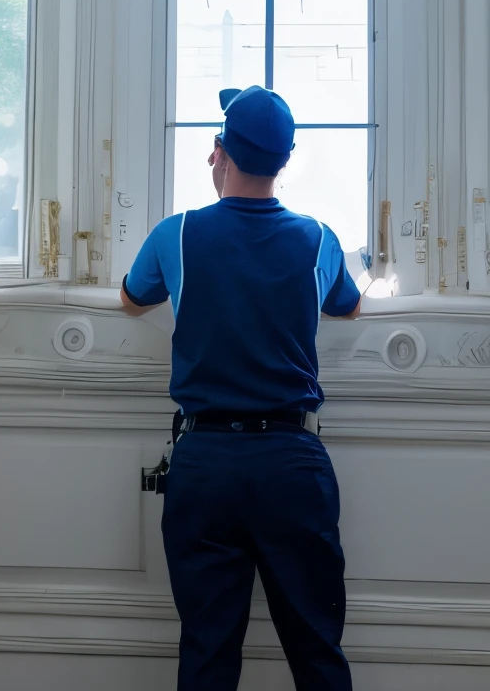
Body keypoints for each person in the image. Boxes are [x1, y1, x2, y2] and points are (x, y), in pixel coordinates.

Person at [120, 84, 362, 691]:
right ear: (284, 161)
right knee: (316, 649)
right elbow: (348, 308)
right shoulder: (318, 239)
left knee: (207, 653)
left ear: (219, 153)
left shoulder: (177, 234)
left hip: (206, 466)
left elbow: (130, 298)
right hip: (291, 464)